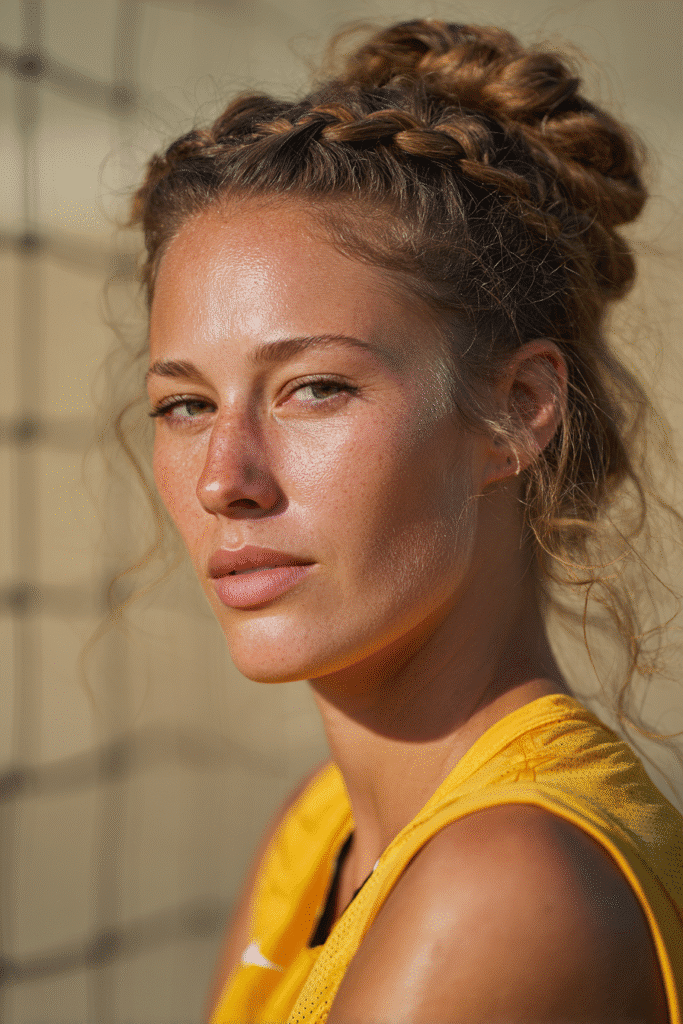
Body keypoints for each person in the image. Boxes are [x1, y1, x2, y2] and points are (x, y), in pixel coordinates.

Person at [131, 19, 683, 1024]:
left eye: (315, 388)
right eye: (186, 404)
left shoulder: (503, 887)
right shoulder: (321, 830)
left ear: (515, 410)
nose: (224, 479)